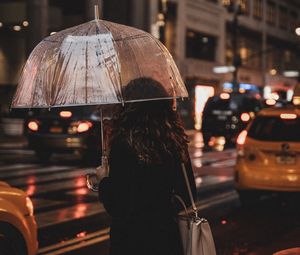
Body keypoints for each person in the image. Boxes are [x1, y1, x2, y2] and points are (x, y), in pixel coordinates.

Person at [97, 77, 197, 255]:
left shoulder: (124, 145)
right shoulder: (174, 141)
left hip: (132, 243)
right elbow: (189, 195)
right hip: (166, 241)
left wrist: (103, 181)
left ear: (129, 107)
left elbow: (119, 206)